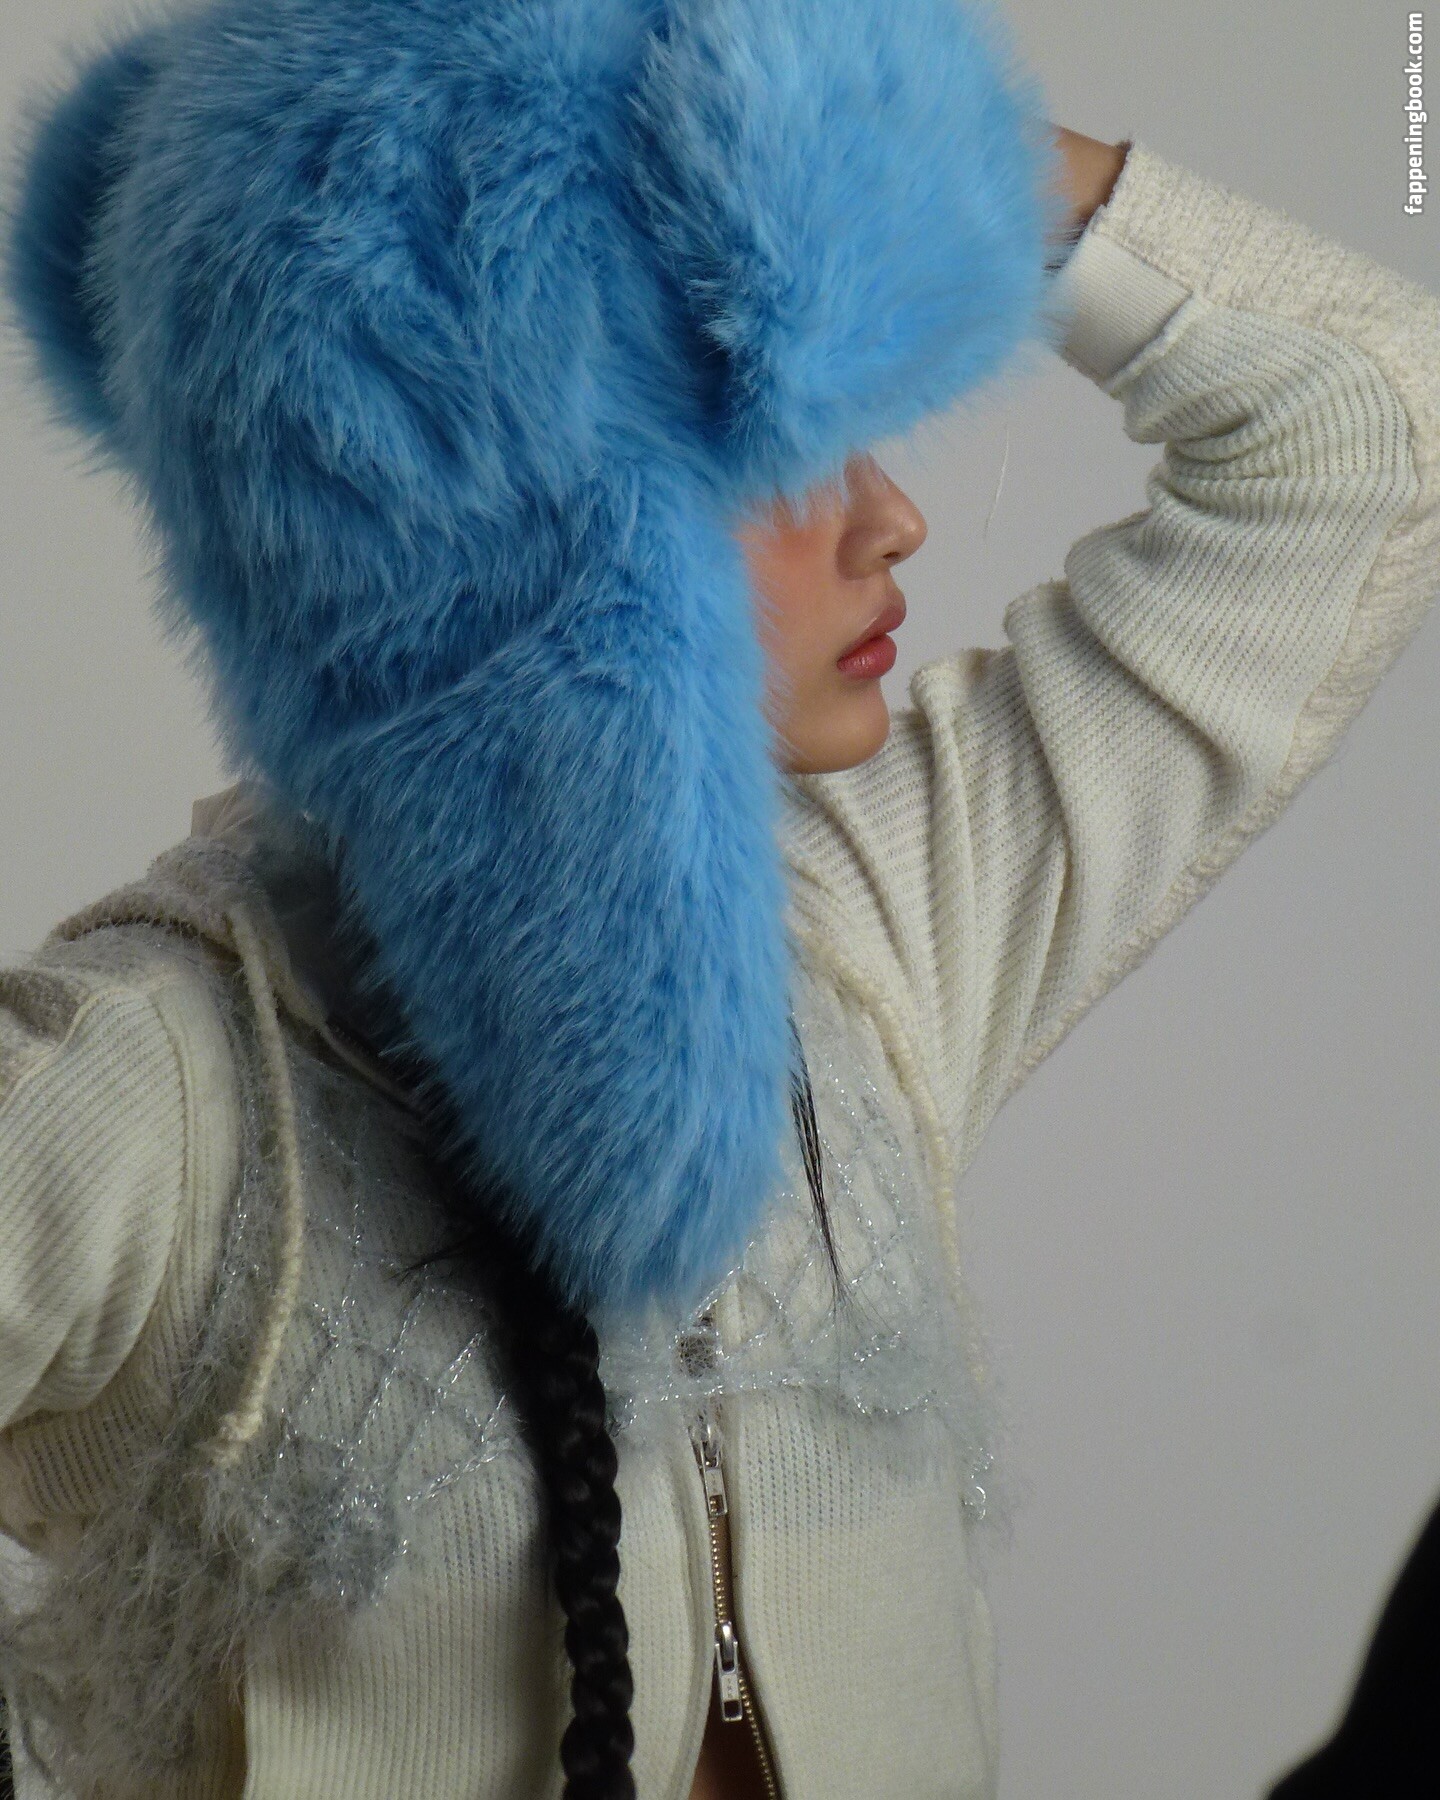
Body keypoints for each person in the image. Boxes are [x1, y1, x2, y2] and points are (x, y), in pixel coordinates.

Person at [1, 2, 1437, 1798]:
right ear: (496, 529)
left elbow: (1359, 440)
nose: (894, 520)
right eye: (768, 451)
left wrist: (885, 134)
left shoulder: (880, 917)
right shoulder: (159, 1085)